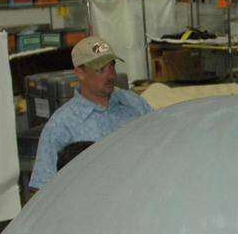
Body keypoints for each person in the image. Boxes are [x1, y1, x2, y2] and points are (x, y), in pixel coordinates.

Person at [29, 36, 152, 190]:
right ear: (80, 72)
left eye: (112, 66)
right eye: (101, 69)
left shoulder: (134, 104)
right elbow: (41, 190)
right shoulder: (61, 126)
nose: (111, 75)